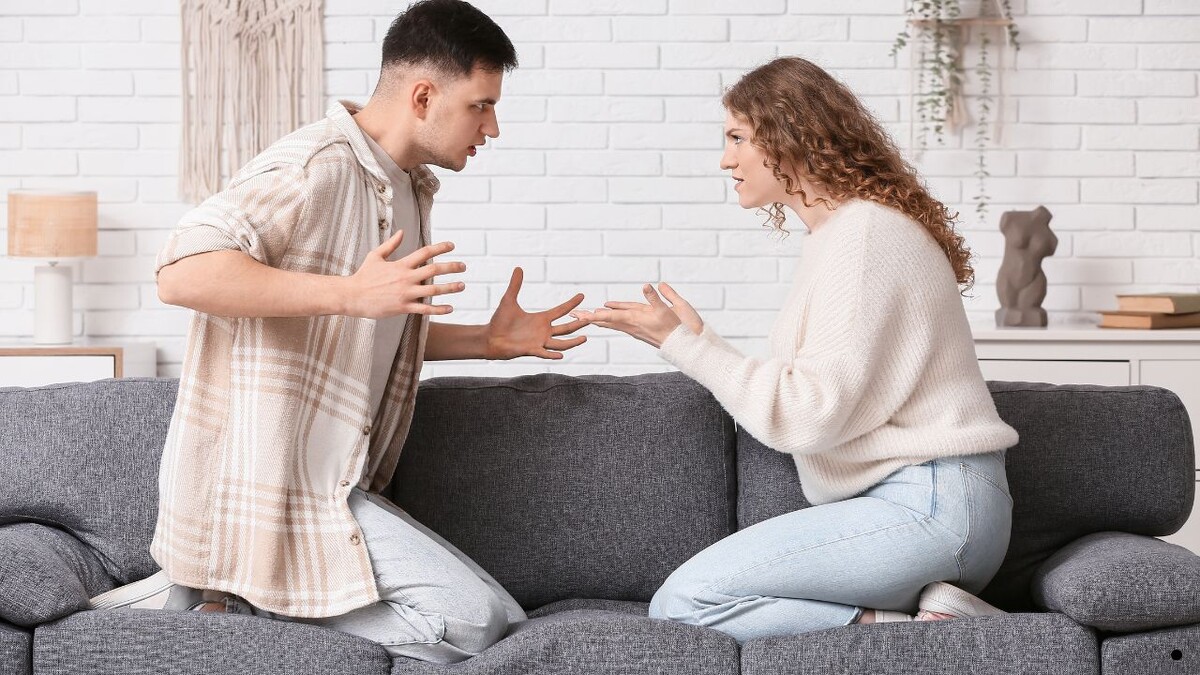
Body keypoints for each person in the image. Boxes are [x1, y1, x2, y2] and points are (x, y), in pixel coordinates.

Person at [87, 0, 588, 663]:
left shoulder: (406, 187)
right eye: (481, 106)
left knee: (505, 617)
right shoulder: (315, 166)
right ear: (423, 96)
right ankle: (229, 602)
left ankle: (209, 598)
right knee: (471, 625)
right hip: (270, 491)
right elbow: (181, 272)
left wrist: (486, 343)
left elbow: (367, 331)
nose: (492, 127)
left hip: (335, 488)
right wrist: (349, 293)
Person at [571, 56, 1020, 641]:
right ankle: (925, 625)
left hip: (932, 507)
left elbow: (810, 415)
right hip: (928, 505)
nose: (726, 159)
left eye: (738, 138)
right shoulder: (841, 235)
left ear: (790, 138)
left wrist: (682, 346)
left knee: (687, 601)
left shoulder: (863, 237)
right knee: (687, 601)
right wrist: (699, 342)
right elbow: (828, 390)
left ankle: (922, 635)